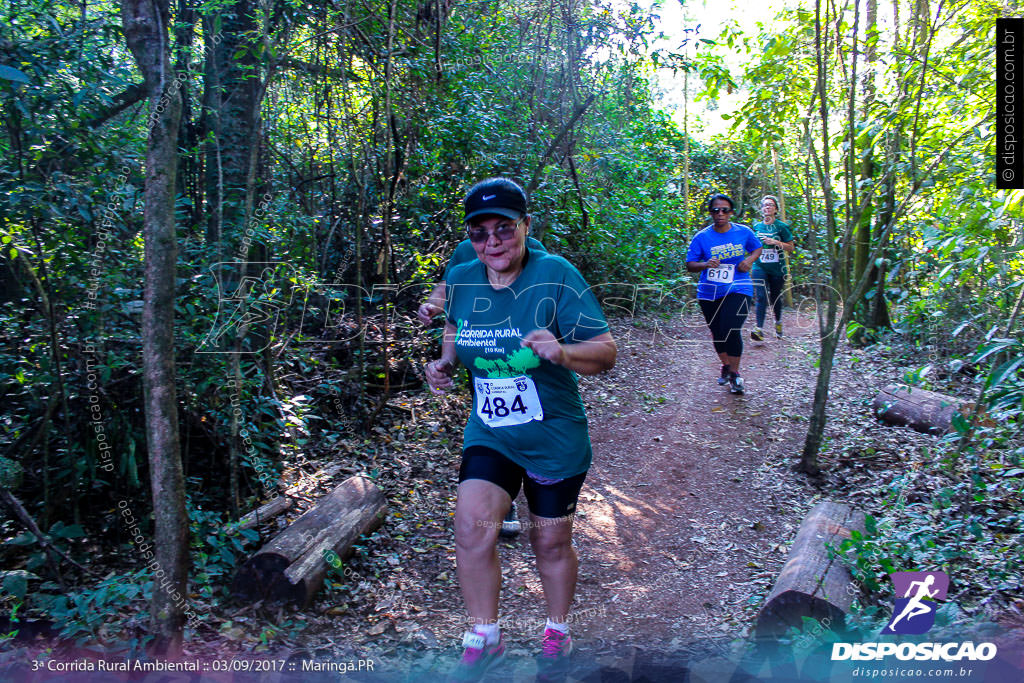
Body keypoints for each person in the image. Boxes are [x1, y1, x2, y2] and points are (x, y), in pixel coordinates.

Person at [424, 177, 617, 681]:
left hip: (554, 436)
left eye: (504, 229)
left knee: (549, 542)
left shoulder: (556, 274)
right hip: (492, 431)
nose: (492, 242)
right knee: (471, 528)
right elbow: (452, 320)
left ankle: (557, 632)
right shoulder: (464, 275)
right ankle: (484, 636)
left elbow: (606, 351)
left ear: (525, 226)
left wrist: (564, 352)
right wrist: (445, 361)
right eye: (480, 232)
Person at [418, 237, 549, 539]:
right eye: (480, 226)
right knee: (494, 426)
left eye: (502, 223)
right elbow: (449, 288)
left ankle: (539, 490)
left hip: (524, 360)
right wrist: (433, 305)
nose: (491, 236)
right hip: (482, 359)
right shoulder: (467, 249)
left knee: (528, 425)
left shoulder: (535, 249)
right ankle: (507, 500)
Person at [685, 193, 762, 394]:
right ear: (710, 213)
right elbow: (690, 265)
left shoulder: (743, 232)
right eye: (716, 210)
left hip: (740, 287)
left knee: (730, 328)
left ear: (731, 212)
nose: (720, 214)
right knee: (718, 332)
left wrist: (749, 261)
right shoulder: (702, 237)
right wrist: (705, 264)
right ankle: (727, 365)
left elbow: (757, 248)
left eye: (725, 210)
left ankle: (735, 375)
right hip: (709, 292)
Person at [750, 195, 795, 340]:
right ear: (761, 209)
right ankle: (759, 329)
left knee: (775, 296)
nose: (767, 207)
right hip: (759, 266)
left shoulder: (782, 227)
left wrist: (775, 242)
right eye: (765, 205)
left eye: (770, 205)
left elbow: (791, 247)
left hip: (777, 268)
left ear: (776, 209)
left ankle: (778, 322)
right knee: (761, 297)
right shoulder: (756, 226)